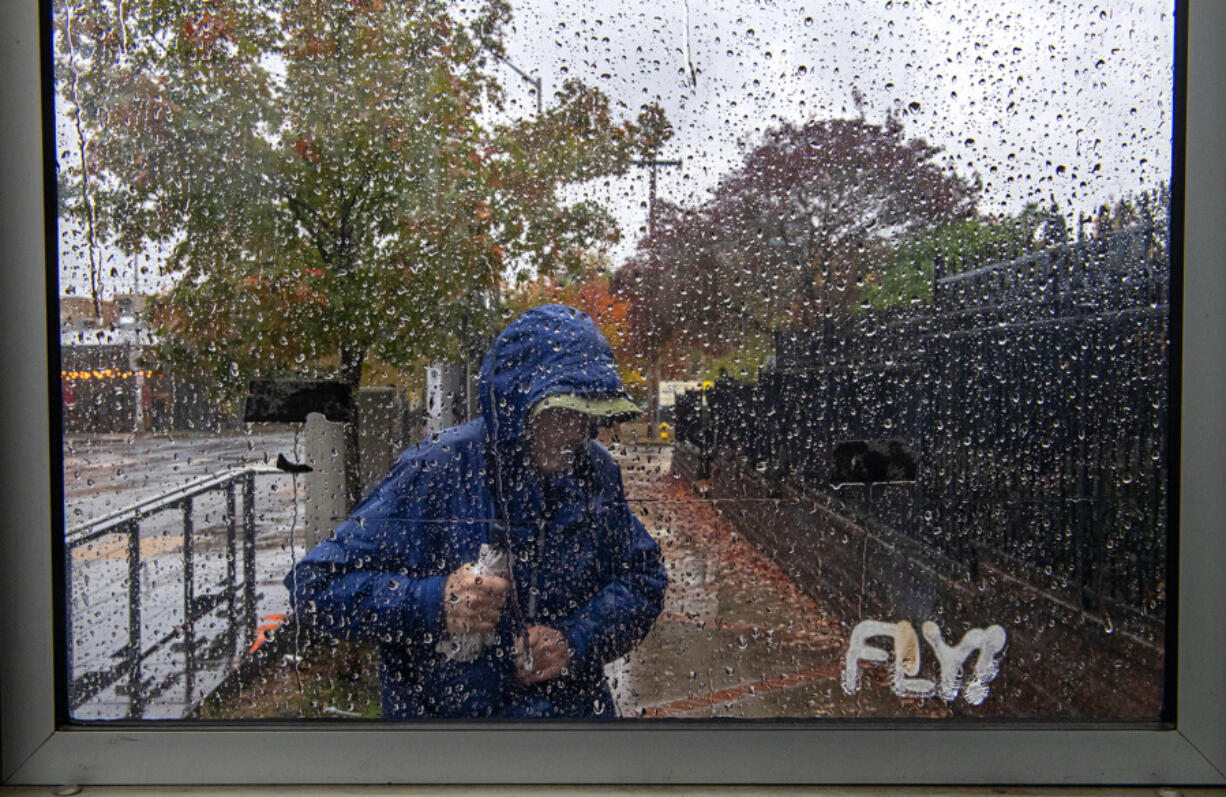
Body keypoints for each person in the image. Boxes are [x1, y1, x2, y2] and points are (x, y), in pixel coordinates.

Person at [285, 304, 668, 719]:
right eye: (561, 413)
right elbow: (314, 587)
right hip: (453, 757)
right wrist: (434, 603)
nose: (576, 432)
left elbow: (642, 577)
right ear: (518, 406)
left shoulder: (595, 471)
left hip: (573, 745)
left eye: (587, 414)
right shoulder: (436, 469)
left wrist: (574, 641)